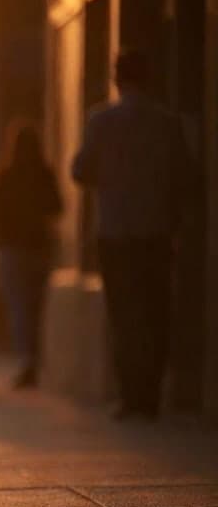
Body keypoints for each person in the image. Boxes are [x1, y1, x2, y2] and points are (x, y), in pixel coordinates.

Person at [72, 48, 189, 420]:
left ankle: (131, 396)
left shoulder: (100, 121)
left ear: (117, 78)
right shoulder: (167, 123)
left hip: (115, 232)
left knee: (123, 316)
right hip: (155, 231)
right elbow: (185, 174)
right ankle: (150, 394)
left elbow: (80, 170)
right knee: (156, 312)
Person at [0, 122, 63, 389]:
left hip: (13, 250)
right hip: (38, 248)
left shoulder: (7, 175)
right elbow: (56, 206)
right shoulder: (44, 174)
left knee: (20, 307)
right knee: (35, 307)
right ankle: (34, 359)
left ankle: (28, 361)